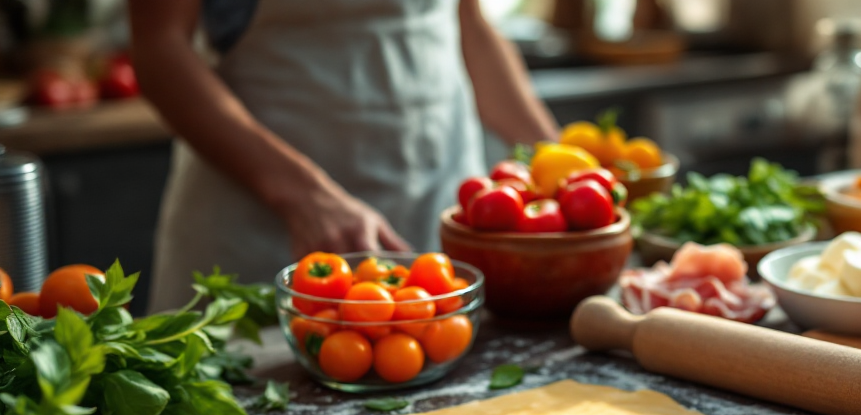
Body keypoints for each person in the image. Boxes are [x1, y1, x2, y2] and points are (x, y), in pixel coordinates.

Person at [129, 0, 558, 312]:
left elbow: (469, 25)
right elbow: (160, 47)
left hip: (436, 203)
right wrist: (303, 197)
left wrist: (559, 165)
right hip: (260, 227)